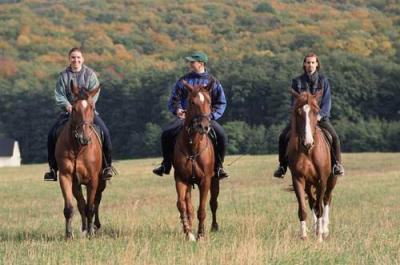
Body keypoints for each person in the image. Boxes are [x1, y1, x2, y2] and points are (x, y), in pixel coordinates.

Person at [152, 51, 229, 179]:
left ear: (201, 64)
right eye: (190, 61)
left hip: (206, 119)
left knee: (222, 135)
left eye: (193, 62)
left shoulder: (213, 82)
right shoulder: (183, 80)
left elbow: (221, 102)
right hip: (185, 119)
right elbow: (173, 100)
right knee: (166, 134)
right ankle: (166, 165)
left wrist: (211, 116)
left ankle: (219, 167)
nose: (190, 64)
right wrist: (178, 110)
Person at [43, 47, 115, 181]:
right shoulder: (63, 76)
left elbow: (95, 92)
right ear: (69, 59)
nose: (75, 60)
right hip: (69, 112)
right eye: (73, 57)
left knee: (105, 132)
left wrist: (87, 106)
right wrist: (67, 105)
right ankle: (52, 170)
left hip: (87, 113)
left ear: (82, 59)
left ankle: (107, 167)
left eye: (78, 57)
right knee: (51, 134)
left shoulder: (90, 74)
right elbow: (59, 94)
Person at [273, 52, 345, 178]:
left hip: (319, 118)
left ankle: (337, 165)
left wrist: (319, 116)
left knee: (334, 137)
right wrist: (299, 115)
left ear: (317, 64)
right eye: (308, 62)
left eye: (312, 62)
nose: (310, 65)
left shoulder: (324, 81)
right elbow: (293, 103)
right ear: (304, 64)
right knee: (282, 137)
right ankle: (282, 166)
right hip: (301, 118)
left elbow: (327, 102)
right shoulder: (296, 81)